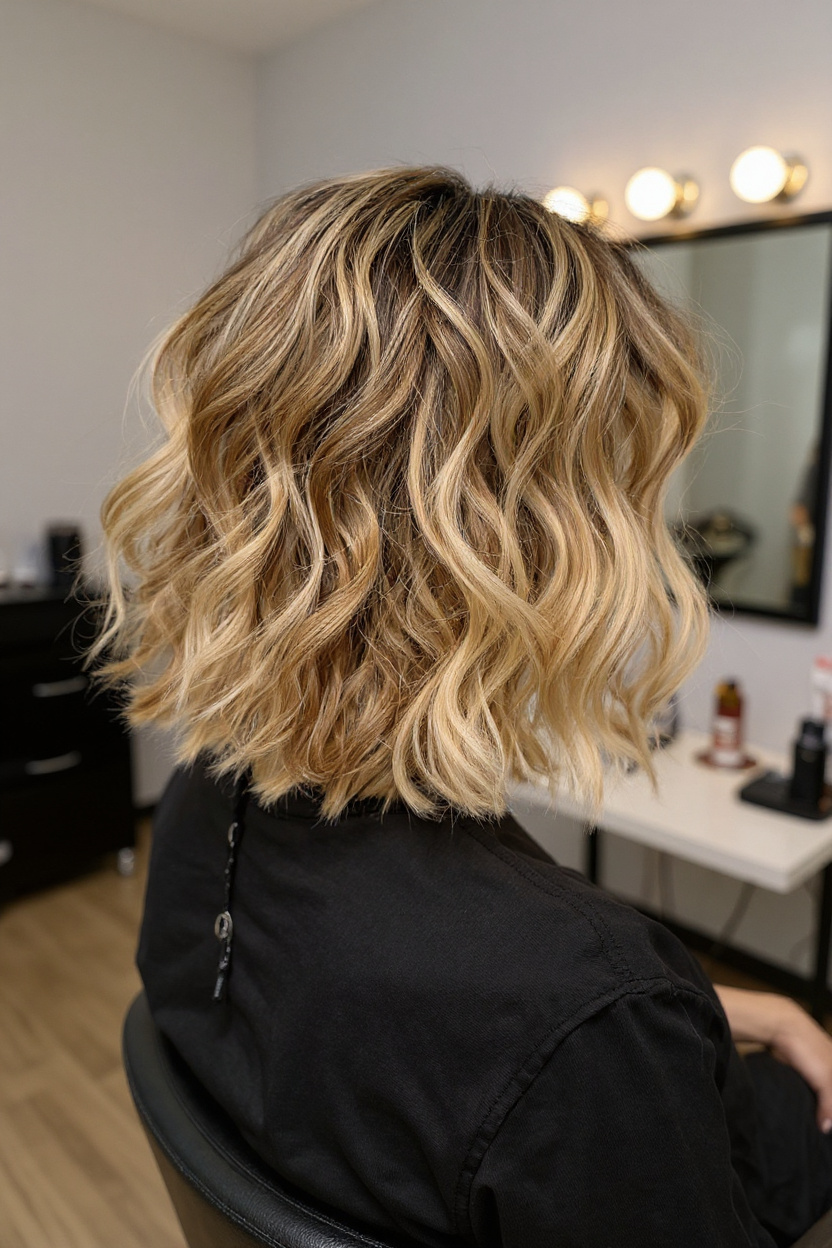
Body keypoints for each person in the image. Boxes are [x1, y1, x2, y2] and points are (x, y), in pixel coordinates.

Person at [92, 167, 832, 1247]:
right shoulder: (589, 1016)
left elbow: (436, 1043)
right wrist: (640, 1012)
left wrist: (711, 1007)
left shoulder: (208, 805)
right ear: (539, 540)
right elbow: (539, 1036)